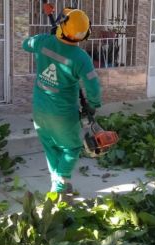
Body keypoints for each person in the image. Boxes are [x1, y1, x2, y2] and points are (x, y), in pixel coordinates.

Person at [22, 7, 101, 201]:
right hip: (63, 115)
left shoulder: (43, 42)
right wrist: (93, 104)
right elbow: (93, 87)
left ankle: (57, 183)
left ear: (61, 26)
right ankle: (61, 183)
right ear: (84, 34)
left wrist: (47, 38)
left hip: (40, 111)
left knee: (52, 147)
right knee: (72, 147)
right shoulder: (81, 58)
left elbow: (26, 44)